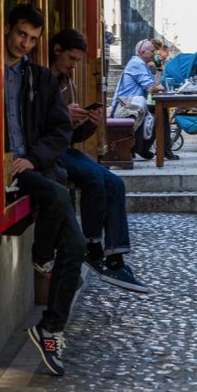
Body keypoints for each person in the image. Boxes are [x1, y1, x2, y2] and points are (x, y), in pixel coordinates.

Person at [4, 4, 86, 376]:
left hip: (32, 167)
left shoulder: (40, 78)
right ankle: (42, 256)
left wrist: (33, 159)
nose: (25, 43)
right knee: (58, 195)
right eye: (21, 34)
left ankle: (49, 329)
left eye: (32, 39)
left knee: (78, 247)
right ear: (7, 30)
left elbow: (60, 131)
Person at [49, 28, 148, 294]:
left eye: (77, 61)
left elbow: (73, 135)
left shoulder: (69, 84)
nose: (73, 65)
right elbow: (36, 127)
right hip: (48, 151)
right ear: (56, 50)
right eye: (71, 59)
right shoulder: (43, 80)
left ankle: (115, 259)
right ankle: (93, 246)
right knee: (93, 177)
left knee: (115, 182)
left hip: (65, 148)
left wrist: (88, 124)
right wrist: (62, 116)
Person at [110, 39, 178, 160]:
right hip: (126, 106)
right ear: (142, 51)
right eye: (152, 51)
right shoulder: (138, 64)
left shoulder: (140, 63)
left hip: (134, 104)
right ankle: (152, 149)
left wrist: (159, 69)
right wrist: (158, 87)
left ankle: (147, 148)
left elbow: (154, 85)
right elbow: (152, 88)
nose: (155, 53)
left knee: (160, 112)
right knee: (160, 113)